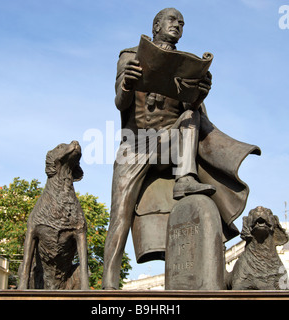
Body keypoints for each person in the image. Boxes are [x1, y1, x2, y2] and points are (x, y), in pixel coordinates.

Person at [102, 8, 260, 290]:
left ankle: (185, 179)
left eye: (182, 23)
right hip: (135, 144)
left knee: (190, 117)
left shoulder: (186, 65)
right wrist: (127, 82)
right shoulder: (130, 55)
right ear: (156, 25)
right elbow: (120, 101)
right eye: (173, 20)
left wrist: (200, 93)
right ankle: (109, 284)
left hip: (169, 141)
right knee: (120, 214)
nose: (179, 26)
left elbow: (194, 112)